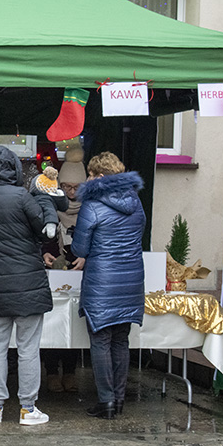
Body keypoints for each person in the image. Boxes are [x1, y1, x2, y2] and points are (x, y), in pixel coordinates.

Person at [0, 145, 52, 426]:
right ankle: (27, 408)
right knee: (28, 349)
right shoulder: (22, 196)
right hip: (28, 283)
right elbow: (43, 232)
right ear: (13, 168)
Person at [71, 151, 145, 419]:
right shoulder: (135, 201)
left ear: (100, 176)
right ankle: (120, 399)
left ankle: (106, 402)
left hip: (102, 280)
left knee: (100, 340)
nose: (88, 179)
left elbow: (80, 248)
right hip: (132, 279)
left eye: (90, 174)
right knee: (121, 340)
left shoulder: (92, 205)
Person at [41, 148, 88, 393]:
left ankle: (70, 372)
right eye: (67, 187)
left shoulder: (90, 210)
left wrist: (86, 257)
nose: (71, 193)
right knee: (53, 324)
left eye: (76, 188)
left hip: (81, 274)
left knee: (75, 326)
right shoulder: (50, 206)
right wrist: (45, 253)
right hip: (54, 273)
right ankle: (51, 372)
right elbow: (42, 238)